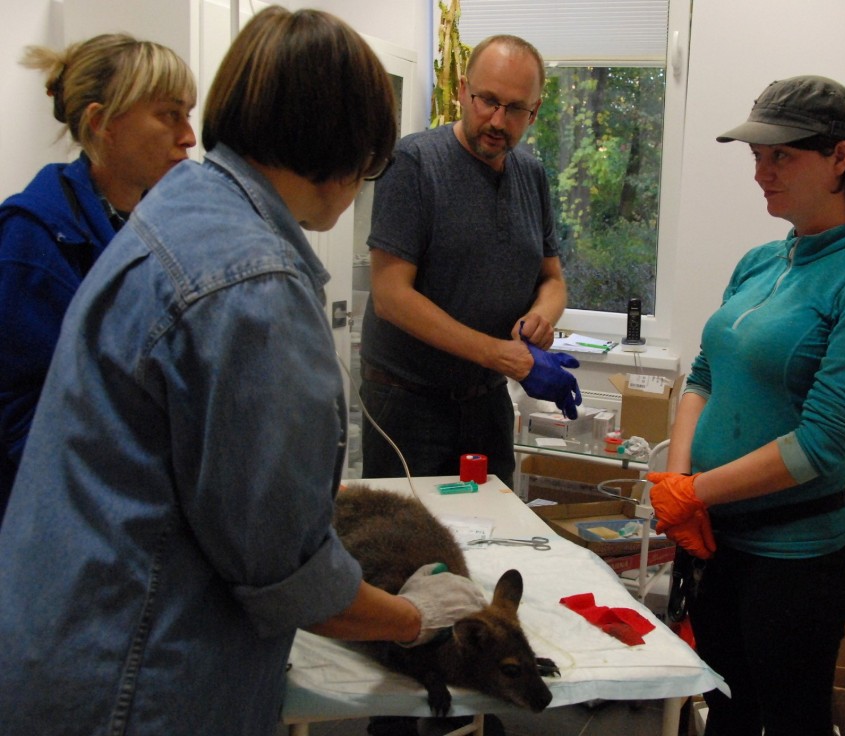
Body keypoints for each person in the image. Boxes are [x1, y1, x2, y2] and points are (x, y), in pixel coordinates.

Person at [0, 8, 488, 736]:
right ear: (342, 148)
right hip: (136, 688)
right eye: (371, 166)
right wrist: (417, 618)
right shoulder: (251, 283)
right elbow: (287, 578)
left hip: (60, 650)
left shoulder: (175, 214)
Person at [648, 75, 845, 736]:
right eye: (755, 157)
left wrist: (695, 493)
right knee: (727, 712)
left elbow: (821, 445)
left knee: (792, 722)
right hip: (717, 544)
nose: (760, 173)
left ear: (841, 158)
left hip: (794, 560)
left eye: (780, 156)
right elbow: (704, 375)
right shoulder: (760, 261)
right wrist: (677, 483)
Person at [359, 33, 576, 492]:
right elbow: (391, 297)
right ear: (462, 90)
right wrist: (500, 354)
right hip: (407, 406)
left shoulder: (531, 175)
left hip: (486, 404)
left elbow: (552, 279)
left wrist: (541, 317)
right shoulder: (414, 163)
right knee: (408, 553)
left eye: (515, 108)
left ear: (534, 112)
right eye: (487, 101)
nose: (498, 120)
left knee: (495, 547)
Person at [0, 33, 197, 517]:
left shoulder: (153, 224)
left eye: (187, 114)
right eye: (169, 114)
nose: (188, 136)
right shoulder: (33, 243)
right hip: (65, 522)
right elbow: (27, 426)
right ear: (101, 123)